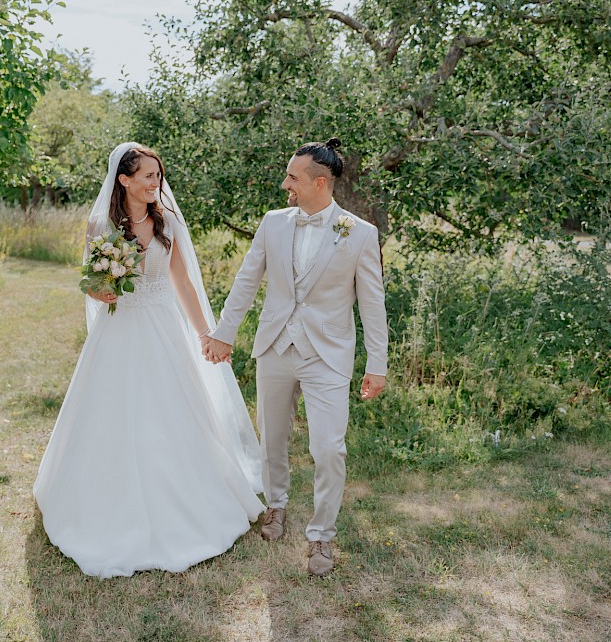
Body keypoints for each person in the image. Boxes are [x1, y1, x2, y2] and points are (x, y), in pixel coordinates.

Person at [33, 142, 264, 578]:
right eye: (147, 177)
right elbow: (90, 281)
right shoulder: (100, 223)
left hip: (162, 327)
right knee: (112, 412)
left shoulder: (168, 222)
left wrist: (204, 333)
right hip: (119, 329)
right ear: (124, 180)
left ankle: (190, 499)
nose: (156, 184)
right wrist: (100, 289)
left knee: (172, 412)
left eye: (158, 176)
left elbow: (183, 284)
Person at [204, 138, 388, 577]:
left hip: (328, 355)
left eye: (292, 177)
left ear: (319, 183)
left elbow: (372, 305)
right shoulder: (273, 224)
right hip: (275, 347)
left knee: (329, 448)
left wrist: (376, 364)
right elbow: (246, 281)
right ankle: (276, 506)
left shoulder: (359, 233)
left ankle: (322, 535)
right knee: (272, 438)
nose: (285, 183)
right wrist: (224, 334)